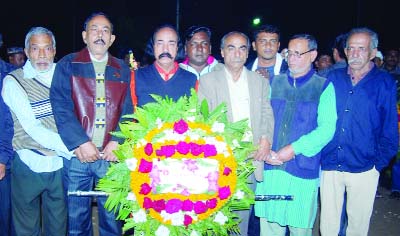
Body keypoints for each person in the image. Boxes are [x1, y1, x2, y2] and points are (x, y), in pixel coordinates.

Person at [50, 12, 131, 236]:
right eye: (94, 29)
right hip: (78, 158)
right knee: (76, 222)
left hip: (110, 157)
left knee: (112, 221)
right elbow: (61, 106)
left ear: (112, 39)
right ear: (85, 35)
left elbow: (129, 110)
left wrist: (118, 141)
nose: (100, 35)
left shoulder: (122, 69)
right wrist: (80, 142)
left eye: (105, 30)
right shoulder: (69, 64)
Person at [255, 34, 337, 236]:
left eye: (298, 54)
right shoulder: (273, 83)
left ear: (313, 55)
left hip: (301, 172)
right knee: (269, 226)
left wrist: (293, 149)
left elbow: (327, 129)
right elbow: (261, 120)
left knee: (299, 227)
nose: (292, 58)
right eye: (289, 53)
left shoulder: (323, 87)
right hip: (271, 170)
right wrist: (265, 146)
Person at [320, 27, 398, 236]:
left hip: (365, 167)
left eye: (361, 49)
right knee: (327, 226)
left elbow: (390, 129)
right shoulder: (333, 79)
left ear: (372, 52)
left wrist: (377, 165)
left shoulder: (384, 83)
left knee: (357, 226)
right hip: (330, 164)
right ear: (345, 51)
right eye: (351, 48)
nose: (354, 54)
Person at [198, 31, 274, 236]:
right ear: (222, 52)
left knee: (239, 222)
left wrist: (266, 139)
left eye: (242, 48)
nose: (237, 53)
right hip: (217, 163)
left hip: (248, 162)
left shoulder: (259, 82)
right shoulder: (207, 81)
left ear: (248, 53)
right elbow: (201, 120)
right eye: (231, 47)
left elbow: (266, 112)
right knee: (213, 220)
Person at [2, 26, 71, 236]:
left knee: (59, 227)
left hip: (59, 164)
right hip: (28, 163)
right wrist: (75, 149)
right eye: (35, 49)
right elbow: (31, 127)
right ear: (26, 51)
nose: (42, 55)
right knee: (25, 228)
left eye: (47, 48)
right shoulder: (13, 81)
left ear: (54, 50)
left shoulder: (66, 75)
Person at [126, 24, 197, 108]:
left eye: (171, 44)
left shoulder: (191, 79)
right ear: (153, 47)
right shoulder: (136, 77)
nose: (165, 49)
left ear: (177, 48)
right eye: (160, 43)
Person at [0, 32, 16, 236]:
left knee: (5, 218)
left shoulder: (10, 76)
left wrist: (2, 158)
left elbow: (10, 121)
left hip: (3, 162)